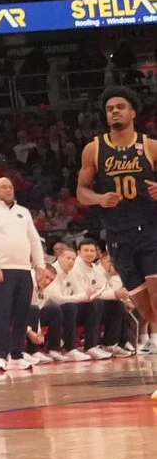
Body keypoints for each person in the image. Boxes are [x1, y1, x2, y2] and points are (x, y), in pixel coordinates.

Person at [77, 89, 157, 361]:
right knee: (147, 311)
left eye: (120, 106)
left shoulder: (150, 145)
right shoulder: (94, 149)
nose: (114, 111)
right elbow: (81, 192)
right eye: (110, 108)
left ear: (133, 112)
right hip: (118, 236)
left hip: (151, 229)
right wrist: (99, 198)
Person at [0, 177, 45, 374]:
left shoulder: (23, 212)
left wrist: (39, 265)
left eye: (10, 187)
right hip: (0, 270)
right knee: (1, 315)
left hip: (23, 270)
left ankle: (17, 355)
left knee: (23, 313)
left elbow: (33, 239)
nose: (8, 189)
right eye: (3, 187)